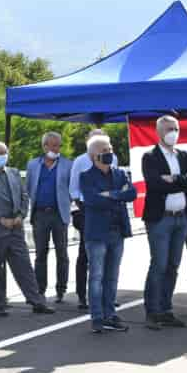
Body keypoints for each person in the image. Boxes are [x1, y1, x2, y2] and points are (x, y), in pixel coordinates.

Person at [0, 142, 54, 318]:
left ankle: (36, 301)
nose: (4, 156)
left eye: (5, 153)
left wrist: (21, 215)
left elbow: (24, 196)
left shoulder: (14, 173)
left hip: (15, 229)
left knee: (24, 266)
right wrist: (0, 219)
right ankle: (0, 304)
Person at [140, 114, 187, 330]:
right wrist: (183, 180)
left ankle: (166, 310)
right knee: (159, 264)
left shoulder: (184, 156)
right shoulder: (149, 156)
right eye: (168, 129)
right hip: (160, 220)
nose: (172, 133)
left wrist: (174, 179)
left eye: (175, 128)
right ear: (158, 132)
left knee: (173, 266)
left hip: (181, 217)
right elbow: (157, 185)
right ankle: (152, 311)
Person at [79, 135, 136, 333]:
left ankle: (110, 315)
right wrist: (117, 196)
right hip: (97, 233)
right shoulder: (86, 176)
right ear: (93, 156)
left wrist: (111, 195)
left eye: (110, 149)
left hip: (117, 231)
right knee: (96, 276)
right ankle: (97, 317)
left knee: (112, 276)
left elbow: (132, 193)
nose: (109, 153)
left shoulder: (119, 173)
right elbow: (93, 201)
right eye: (104, 151)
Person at [25, 131, 73, 304]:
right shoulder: (33, 164)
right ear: (44, 146)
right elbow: (28, 188)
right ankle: (40, 289)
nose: (55, 148)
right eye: (52, 145)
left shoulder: (68, 164)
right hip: (40, 214)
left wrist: (66, 202)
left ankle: (61, 289)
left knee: (62, 254)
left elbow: (72, 188)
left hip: (59, 214)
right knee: (40, 254)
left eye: (58, 145)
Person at [69, 127, 112, 311]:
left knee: (108, 254)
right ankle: (82, 295)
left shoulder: (113, 159)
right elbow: (73, 189)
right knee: (86, 254)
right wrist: (83, 206)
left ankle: (106, 295)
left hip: (107, 208)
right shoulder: (80, 161)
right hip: (87, 210)